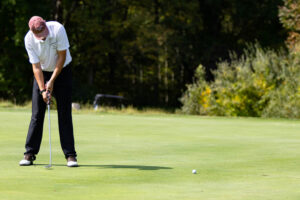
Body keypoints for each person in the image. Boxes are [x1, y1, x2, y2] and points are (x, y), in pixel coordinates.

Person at [19, 16, 78, 167]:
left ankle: (70, 155)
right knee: (37, 114)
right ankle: (29, 153)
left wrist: (51, 81)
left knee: (64, 113)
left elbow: (62, 57)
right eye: (39, 34)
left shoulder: (58, 29)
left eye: (43, 31)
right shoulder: (29, 40)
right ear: (32, 32)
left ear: (45, 24)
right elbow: (36, 67)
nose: (43, 36)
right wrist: (42, 90)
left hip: (62, 71)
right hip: (42, 72)